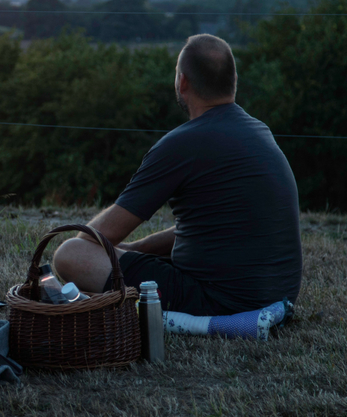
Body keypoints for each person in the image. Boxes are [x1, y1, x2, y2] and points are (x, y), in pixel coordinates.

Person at [52, 34, 302, 316]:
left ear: (182, 82)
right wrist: (137, 248)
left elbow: (104, 234)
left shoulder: (181, 144)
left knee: (72, 253)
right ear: (233, 82)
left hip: (218, 300)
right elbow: (212, 226)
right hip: (278, 295)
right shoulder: (258, 131)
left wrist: (110, 246)